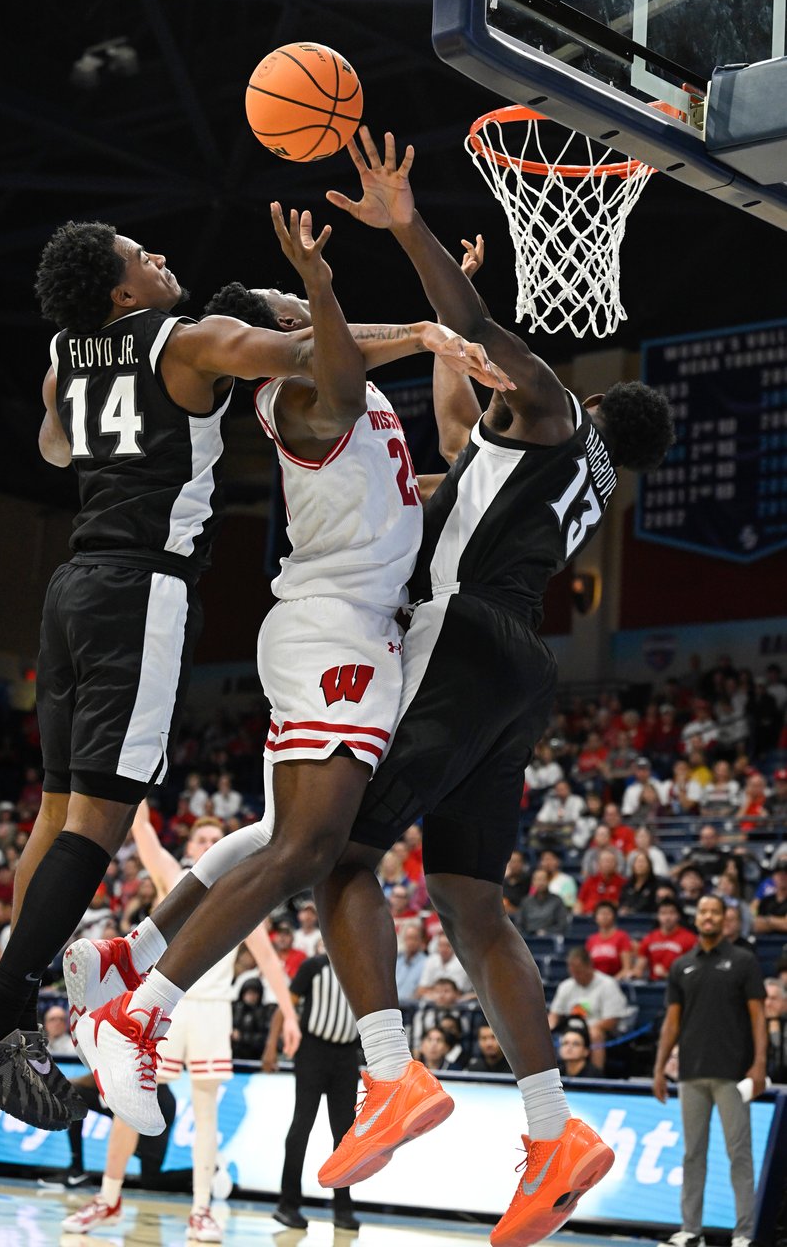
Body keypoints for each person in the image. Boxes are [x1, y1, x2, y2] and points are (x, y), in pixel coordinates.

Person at [0, 210, 491, 1130]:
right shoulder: (186, 340)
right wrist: (415, 330)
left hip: (72, 587)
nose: (158, 255)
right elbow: (311, 356)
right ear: (122, 290)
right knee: (99, 825)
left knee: (57, 814)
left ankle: (12, 1013)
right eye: (139, 256)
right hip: (139, 590)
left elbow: (54, 448)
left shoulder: (64, 357)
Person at [284, 129, 671, 1243]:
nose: (494, 392)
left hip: (460, 636)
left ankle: (391, 1071)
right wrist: (455, 354)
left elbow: (485, 339)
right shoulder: (574, 476)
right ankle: (555, 1132)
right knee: (470, 902)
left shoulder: (553, 406)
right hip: (520, 671)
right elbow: (463, 427)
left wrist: (408, 232)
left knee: (336, 853)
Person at [63, 807, 300, 1242]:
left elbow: (268, 960)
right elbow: (143, 831)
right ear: (190, 847)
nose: (208, 844)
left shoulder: (242, 890)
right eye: (200, 839)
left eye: (215, 839)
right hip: (163, 1004)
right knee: (126, 1100)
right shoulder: (175, 878)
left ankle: (202, 1209)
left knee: (207, 1112)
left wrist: (289, 1016)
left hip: (212, 1010)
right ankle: (108, 1197)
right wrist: (138, 784)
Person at [653, 894, 767, 1247]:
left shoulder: (744, 961)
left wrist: (759, 1064)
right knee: (692, 1154)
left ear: (724, 918)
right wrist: (659, 1068)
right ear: (697, 917)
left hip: (733, 1073)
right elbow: (672, 1022)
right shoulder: (681, 965)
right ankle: (691, 1230)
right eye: (703, 911)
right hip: (691, 1073)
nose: (708, 916)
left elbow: (758, 1016)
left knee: (739, 1154)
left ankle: (744, 1233)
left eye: (715, 912)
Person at [268, 947, 361, 1234]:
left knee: (345, 1134)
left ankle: (343, 1209)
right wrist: (271, 1047)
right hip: (312, 1051)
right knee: (302, 1125)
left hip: (347, 1055)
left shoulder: (363, 969)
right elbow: (286, 1007)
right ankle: (288, 1204)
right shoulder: (314, 966)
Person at [547, 948, 630, 1072]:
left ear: (589, 966)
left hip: (597, 1029)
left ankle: (595, 1074)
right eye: (573, 972)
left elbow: (612, 1020)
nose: (576, 976)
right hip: (570, 1028)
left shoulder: (607, 984)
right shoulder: (566, 986)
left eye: (579, 972)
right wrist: (548, 1029)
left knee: (595, 1034)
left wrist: (586, 1031)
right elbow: (554, 1014)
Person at [633, 898, 698, 981]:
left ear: (678, 916)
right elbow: (639, 968)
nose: (667, 917)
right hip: (654, 985)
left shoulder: (690, 939)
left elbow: (694, 969)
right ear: (658, 916)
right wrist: (634, 974)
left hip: (680, 984)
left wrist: (668, 975)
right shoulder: (649, 938)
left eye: (671, 913)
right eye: (663, 913)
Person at [585, 902, 634, 978]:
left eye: (608, 913)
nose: (604, 916)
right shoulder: (591, 939)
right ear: (596, 918)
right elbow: (587, 967)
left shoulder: (622, 936)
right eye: (601, 913)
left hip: (616, 980)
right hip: (596, 981)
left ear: (614, 917)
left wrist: (612, 981)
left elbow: (626, 968)